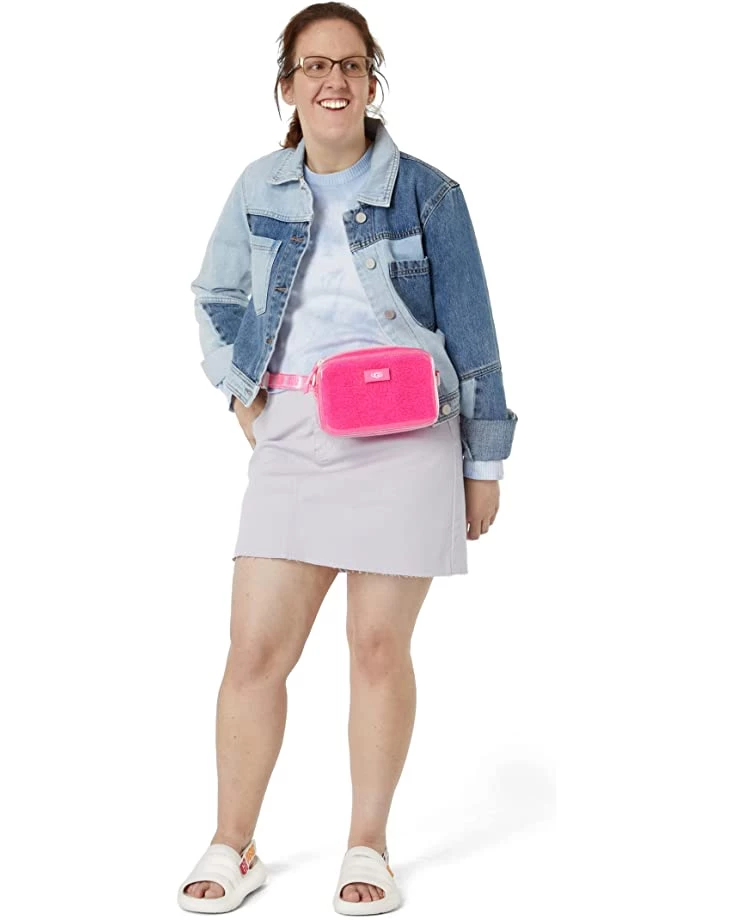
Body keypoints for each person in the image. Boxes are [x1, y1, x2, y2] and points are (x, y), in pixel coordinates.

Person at [177, 2, 518, 914]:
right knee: (255, 651)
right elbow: (215, 294)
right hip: (293, 436)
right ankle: (234, 841)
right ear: (287, 85)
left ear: (372, 80)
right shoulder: (258, 186)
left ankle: (369, 843)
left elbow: (474, 334)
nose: (335, 80)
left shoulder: (429, 193)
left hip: (407, 440)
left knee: (376, 648)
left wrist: (483, 466)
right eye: (315, 65)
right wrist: (240, 391)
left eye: (352, 65)